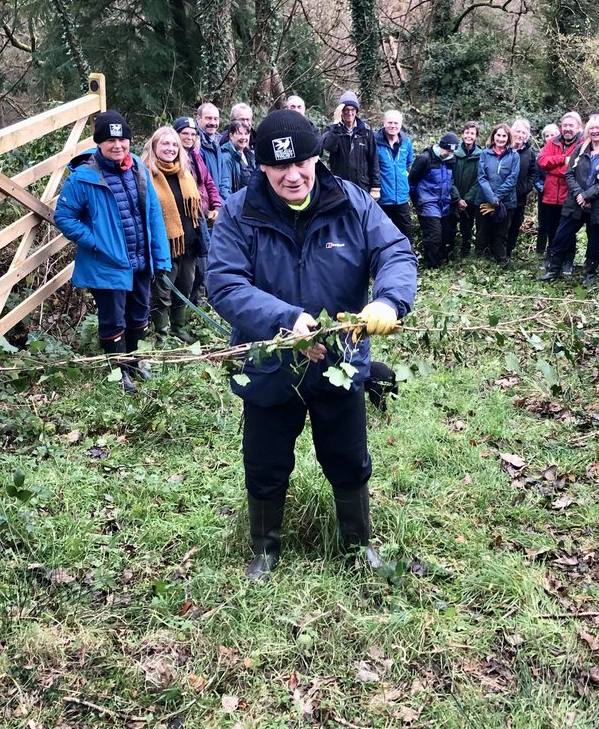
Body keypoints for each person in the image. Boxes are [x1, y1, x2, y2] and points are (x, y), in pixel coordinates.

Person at [206, 110, 418, 580]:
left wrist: (389, 300)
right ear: (262, 167)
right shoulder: (240, 213)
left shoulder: (352, 203)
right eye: (279, 167)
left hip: (338, 362)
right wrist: (284, 321)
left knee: (347, 457)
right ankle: (265, 549)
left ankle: (358, 545)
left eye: (302, 162)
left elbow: (394, 251)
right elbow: (224, 283)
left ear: (317, 158)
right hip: (270, 368)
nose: (293, 175)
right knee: (265, 461)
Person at [54, 110, 171, 393]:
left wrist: (161, 257)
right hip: (106, 263)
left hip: (140, 260)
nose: (117, 146)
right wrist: (96, 240)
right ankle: (118, 372)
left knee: (139, 314)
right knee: (113, 318)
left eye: (123, 140)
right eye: (110, 141)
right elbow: (64, 217)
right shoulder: (84, 177)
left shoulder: (139, 170)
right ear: (99, 143)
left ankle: (135, 363)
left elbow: (153, 215)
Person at [141, 127, 207, 343]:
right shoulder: (146, 175)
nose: (170, 149)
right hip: (164, 247)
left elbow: (196, 211)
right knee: (162, 294)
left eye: (173, 145)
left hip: (188, 245)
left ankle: (179, 328)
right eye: (165, 144)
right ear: (154, 147)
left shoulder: (185, 173)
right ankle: (161, 334)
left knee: (185, 289)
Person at [540, 114, 599, 283]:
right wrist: (579, 194)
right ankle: (554, 270)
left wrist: (587, 195)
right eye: (591, 128)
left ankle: (590, 274)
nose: (594, 131)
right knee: (561, 235)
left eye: (598, 128)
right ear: (586, 131)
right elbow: (569, 173)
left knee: (595, 242)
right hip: (575, 203)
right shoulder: (580, 150)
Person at [175, 117, 221, 305]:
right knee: (193, 268)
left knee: (204, 265)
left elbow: (208, 182)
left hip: (202, 216)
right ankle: (187, 308)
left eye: (193, 134)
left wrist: (216, 205)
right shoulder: (174, 159)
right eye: (185, 133)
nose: (189, 137)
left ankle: (195, 307)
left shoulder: (196, 155)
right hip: (186, 218)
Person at [537, 112, 584, 278]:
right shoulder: (553, 141)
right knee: (551, 229)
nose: (568, 129)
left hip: (569, 195)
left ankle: (567, 260)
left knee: (567, 231)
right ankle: (551, 257)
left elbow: (575, 169)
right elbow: (542, 161)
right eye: (565, 125)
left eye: (571, 125)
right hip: (550, 195)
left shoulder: (583, 143)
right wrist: (563, 159)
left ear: (578, 127)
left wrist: (556, 167)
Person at [409, 132, 459, 268]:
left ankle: (441, 259)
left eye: (452, 151)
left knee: (446, 233)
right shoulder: (424, 159)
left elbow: (451, 180)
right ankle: (432, 265)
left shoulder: (450, 160)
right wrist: (417, 202)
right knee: (434, 235)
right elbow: (412, 182)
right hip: (427, 202)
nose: (449, 154)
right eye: (448, 150)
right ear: (441, 147)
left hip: (444, 202)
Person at [475, 123, 520, 267]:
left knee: (501, 234)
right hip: (484, 200)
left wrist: (497, 199)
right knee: (483, 231)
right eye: (498, 135)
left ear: (508, 138)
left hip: (506, 202)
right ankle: (480, 260)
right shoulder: (484, 154)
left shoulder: (514, 155)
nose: (500, 138)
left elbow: (512, 179)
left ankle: (501, 260)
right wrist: (491, 198)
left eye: (504, 136)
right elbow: (482, 177)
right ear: (493, 136)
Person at [321, 91, 380, 198]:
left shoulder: (365, 131)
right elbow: (328, 146)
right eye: (346, 110)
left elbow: (373, 158)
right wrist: (336, 125)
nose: (349, 113)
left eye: (352, 109)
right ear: (341, 112)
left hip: (362, 185)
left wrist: (375, 187)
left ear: (356, 111)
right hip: (340, 185)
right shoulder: (331, 129)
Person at [374, 109, 415, 241]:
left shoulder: (406, 142)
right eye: (390, 122)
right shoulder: (375, 142)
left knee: (406, 234)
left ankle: (408, 260)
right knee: (381, 235)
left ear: (401, 125)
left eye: (396, 123)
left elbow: (408, 162)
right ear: (384, 123)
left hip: (401, 197)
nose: (393, 126)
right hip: (382, 198)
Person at [506, 120, 542, 260]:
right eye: (518, 131)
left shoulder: (529, 153)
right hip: (502, 197)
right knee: (502, 224)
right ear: (512, 132)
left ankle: (509, 251)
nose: (520, 135)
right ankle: (496, 251)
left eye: (523, 133)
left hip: (519, 197)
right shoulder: (504, 148)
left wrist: (526, 188)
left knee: (515, 224)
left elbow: (534, 173)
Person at [452, 121, 481, 258]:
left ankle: (465, 253)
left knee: (467, 227)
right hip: (453, 198)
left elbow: (479, 180)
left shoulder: (481, 155)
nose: (469, 136)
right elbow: (449, 177)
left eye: (472, 134)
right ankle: (450, 250)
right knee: (450, 225)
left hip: (470, 200)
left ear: (476, 136)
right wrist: (457, 198)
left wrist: (467, 199)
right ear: (462, 134)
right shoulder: (454, 152)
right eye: (467, 133)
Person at [534, 124, 559, 257]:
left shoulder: (563, 152)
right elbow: (535, 176)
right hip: (544, 194)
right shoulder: (540, 155)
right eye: (547, 136)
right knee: (543, 223)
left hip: (559, 195)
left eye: (552, 135)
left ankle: (555, 250)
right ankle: (540, 251)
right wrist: (543, 189)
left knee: (557, 224)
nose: (549, 138)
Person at [218, 121, 257, 200]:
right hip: (237, 206)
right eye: (239, 134)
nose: (243, 137)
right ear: (231, 136)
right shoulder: (226, 157)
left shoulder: (249, 155)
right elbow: (225, 189)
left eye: (246, 134)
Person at [192, 103, 225, 191]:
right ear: (198, 119)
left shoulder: (217, 142)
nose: (213, 123)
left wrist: (224, 200)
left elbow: (224, 178)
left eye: (216, 119)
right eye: (208, 118)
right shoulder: (194, 144)